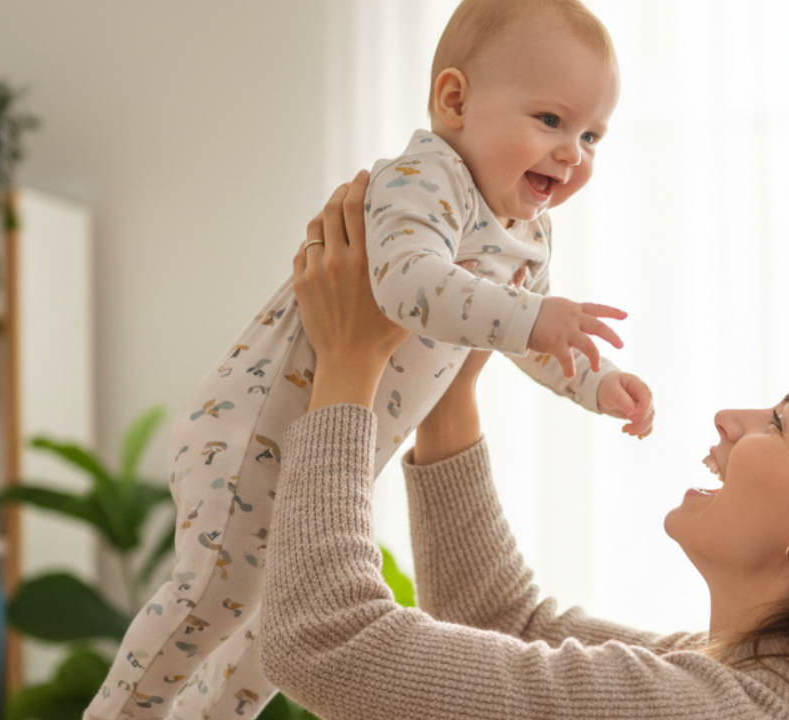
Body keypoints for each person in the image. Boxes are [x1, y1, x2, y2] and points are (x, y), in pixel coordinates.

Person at [257, 175, 789, 720]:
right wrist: (453, 384)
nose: (729, 420)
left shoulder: (716, 707)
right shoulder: (762, 683)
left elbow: (325, 641)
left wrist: (349, 363)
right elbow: (504, 623)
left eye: (779, 421)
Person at [83, 2, 655, 719]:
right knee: (207, 604)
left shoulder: (529, 236)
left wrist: (598, 384)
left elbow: (527, 342)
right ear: (455, 100)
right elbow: (407, 284)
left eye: (592, 135)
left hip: (326, 456)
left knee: (272, 639)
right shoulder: (425, 178)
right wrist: (535, 315)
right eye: (550, 121)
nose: (573, 152)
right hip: (251, 439)